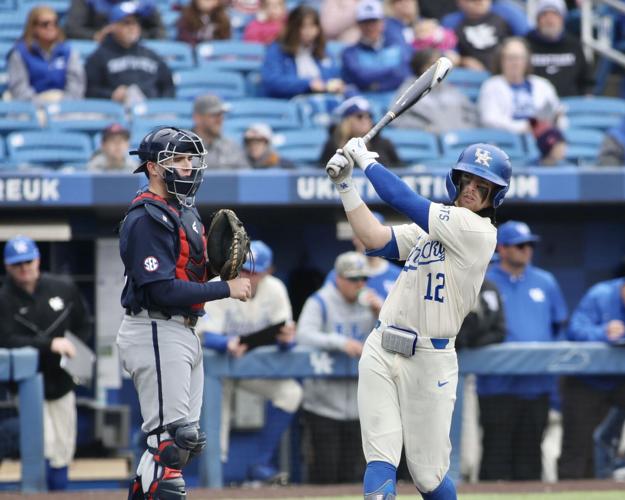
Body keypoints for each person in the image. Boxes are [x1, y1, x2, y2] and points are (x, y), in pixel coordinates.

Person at [324, 134, 512, 498]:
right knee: (380, 456)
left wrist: (366, 161)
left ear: (494, 197)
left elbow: (401, 199)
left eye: (483, 186)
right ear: (456, 180)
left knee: (428, 476)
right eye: (468, 180)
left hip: (430, 358)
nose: (472, 189)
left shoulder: (477, 231)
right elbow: (375, 240)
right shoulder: (436, 228)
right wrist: (345, 186)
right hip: (381, 345)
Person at [116, 126, 252, 499]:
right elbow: (159, 288)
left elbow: (185, 273)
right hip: (154, 327)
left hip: (183, 331)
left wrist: (214, 270)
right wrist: (225, 287)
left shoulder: (186, 212)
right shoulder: (145, 217)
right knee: (171, 443)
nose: (188, 166)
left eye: (190, 158)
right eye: (177, 159)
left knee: (182, 445)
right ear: (153, 167)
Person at [197, 240, 303, 483]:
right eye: (244, 269)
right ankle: (214, 479)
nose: (249, 276)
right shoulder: (219, 286)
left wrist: (287, 341)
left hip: (252, 367)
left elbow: (284, 333)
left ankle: (261, 463)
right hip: (219, 370)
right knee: (217, 416)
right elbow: (203, 332)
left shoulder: (275, 289)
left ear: (268, 271)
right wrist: (225, 343)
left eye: (255, 272)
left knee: (291, 393)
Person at [478, 220, 568, 481]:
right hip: (497, 386)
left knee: (530, 461)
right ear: (502, 248)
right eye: (519, 245)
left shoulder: (545, 281)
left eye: (529, 245)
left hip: (536, 386)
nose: (526, 250)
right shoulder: (483, 280)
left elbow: (559, 325)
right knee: (495, 460)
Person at [0, 236, 91, 491]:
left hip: (62, 381)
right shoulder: (4, 298)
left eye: (28, 261)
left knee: (63, 448)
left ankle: (58, 492)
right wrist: (50, 344)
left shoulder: (61, 287)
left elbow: (84, 323)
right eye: (17, 264)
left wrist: (74, 348)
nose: (24, 268)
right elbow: (6, 339)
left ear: (37, 260)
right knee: (43, 446)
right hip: (28, 387)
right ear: (7, 267)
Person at [297, 251, 382, 484]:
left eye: (363, 279)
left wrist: (381, 313)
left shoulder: (371, 304)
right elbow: (302, 336)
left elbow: (393, 337)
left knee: (355, 478)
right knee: (326, 476)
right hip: (324, 406)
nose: (360, 284)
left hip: (360, 406)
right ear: (338, 278)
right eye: (353, 279)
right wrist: (339, 342)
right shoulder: (320, 301)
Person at [558, 276, 625, 479]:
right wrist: (603, 332)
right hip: (585, 384)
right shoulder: (600, 295)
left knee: (606, 448)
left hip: (619, 384)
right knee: (577, 448)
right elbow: (574, 330)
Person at [455, 278, 506, 483]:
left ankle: (467, 476)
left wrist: (471, 341)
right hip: (435, 366)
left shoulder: (489, 289)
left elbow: (499, 331)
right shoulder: (449, 281)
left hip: (467, 374)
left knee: (470, 426)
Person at [85, 2, 174, 105]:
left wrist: (160, 106)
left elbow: (168, 86)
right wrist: (111, 95)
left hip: (151, 112)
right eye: (126, 23)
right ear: (113, 26)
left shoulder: (151, 55)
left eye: (136, 23)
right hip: (116, 112)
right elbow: (89, 90)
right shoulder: (98, 57)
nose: (132, 27)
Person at [478, 37, 563, 134]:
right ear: (501, 60)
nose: (515, 63)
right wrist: (524, 127)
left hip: (543, 138)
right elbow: (489, 120)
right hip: (507, 141)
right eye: (510, 58)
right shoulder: (491, 86)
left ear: (527, 60)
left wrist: (553, 122)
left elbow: (559, 116)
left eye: (519, 58)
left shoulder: (543, 85)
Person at [261, 5, 344, 99]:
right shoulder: (277, 50)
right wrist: (307, 84)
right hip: (289, 102)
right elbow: (272, 81)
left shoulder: (322, 51)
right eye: (303, 26)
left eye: (312, 26)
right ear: (293, 27)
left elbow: (333, 76)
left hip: (323, 99)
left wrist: (334, 84)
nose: (308, 31)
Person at [7, 6, 85, 103]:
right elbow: (19, 89)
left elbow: (76, 86)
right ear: (33, 27)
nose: (51, 27)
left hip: (64, 107)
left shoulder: (68, 51)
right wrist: (43, 104)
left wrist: (62, 105)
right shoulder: (20, 53)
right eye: (45, 24)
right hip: (31, 108)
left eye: (55, 23)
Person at [391, 48, 479, 132]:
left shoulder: (452, 90)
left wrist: (464, 129)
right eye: (433, 64)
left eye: (442, 65)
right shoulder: (408, 91)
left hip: (458, 141)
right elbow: (397, 120)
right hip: (427, 142)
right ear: (420, 66)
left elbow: (472, 115)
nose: (439, 69)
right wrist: (424, 128)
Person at [526, 0, 594, 97]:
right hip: (534, 105)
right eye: (544, 15)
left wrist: (587, 95)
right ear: (537, 19)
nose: (549, 20)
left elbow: (586, 79)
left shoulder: (574, 45)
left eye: (554, 14)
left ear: (562, 19)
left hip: (572, 106)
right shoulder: (525, 45)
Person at [341, 0, 411, 93]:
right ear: (358, 25)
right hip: (367, 102)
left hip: (399, 100)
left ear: (383, 23)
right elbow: (361, 78)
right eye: (365, 22)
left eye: (374, 21)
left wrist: (375, 85)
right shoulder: (349, 53)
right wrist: (392, 72)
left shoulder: (398, 47)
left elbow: (405, 74)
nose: (370, 27)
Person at [319, 95, 401, 167]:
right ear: (347, 121)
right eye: (359, 116)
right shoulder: (333, 145)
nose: (366, 120)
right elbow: (322, 173)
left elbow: (400, 171)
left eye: (369, 116)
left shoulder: (384, 144)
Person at [192, 94, 250, 169]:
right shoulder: (182, 148)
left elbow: (246, 177)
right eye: (214, 115)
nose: (220, 120)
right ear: (197, 118)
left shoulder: (232, 147)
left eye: (221, 115)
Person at [65, 0, 165, 40]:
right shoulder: (85, 1)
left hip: (138, 51)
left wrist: (134, 35)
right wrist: (95, 35)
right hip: (99, 49)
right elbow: (72, 29)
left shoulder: (144, 3)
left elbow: (160, 32)